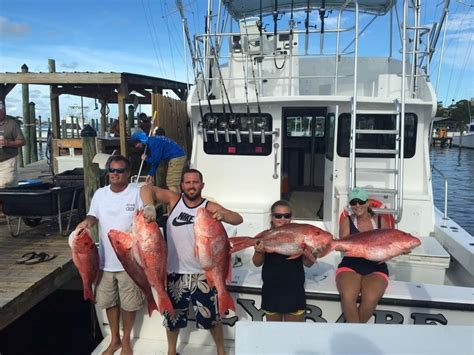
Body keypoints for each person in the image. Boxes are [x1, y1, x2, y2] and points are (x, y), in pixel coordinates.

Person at [144, 168, 243, 355]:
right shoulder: (174, 201)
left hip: (203, 273)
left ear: (202, 185)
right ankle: (171, 351)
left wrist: (223, 216)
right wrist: (149, 205)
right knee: (172, 317)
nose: (191, 186)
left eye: (195, 182)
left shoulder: (209, 207)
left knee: (212, 318)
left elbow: (238, 218)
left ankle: (221, 351)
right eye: (188, 182)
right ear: (182, 185)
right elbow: (146, 189)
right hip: (175, 272)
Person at [75, 155, 157, 355]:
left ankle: (127, 340)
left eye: (120, 171)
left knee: (129, 303)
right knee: (109, 302)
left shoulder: (136, 193)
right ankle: (115, 339)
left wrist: (149, 209)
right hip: (103, 261)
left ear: (128, 173)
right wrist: (86, 223)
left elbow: (147, 210)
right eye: (112, 170)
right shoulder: (100, 194)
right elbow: (92, 216)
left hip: (130, 262)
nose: (115, 174)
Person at [252, 200, 314, 322]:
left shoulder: (299, 235)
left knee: (293, 334)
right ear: (272, 217)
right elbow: (256, 262)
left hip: (294, 291)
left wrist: (315, 252)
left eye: (287, 216)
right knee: (274, 333)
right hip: (271, 291)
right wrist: (259, 251)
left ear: (291, 217)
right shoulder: (266, 236)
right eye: (278, 216)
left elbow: (308, 263)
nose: (282, 219)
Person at [336, 187, 390, 323]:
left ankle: (354, 332)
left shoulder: (380, 221)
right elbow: (344, 246)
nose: (357, 205)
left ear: (367, 203)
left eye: (360, 201)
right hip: (351, 264)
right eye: (353, 203)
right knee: (348, 297)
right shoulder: (346, 221)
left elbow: (389, 245)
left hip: (376, 266)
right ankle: (357, 334)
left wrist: (400, 250)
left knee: (371, 298)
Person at [0, 100, 26, 189]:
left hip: (7, 161)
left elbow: (22, 141)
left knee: (5, 185)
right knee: (10, 187)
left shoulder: (12, 123)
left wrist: (7, 143)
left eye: (1, 110)